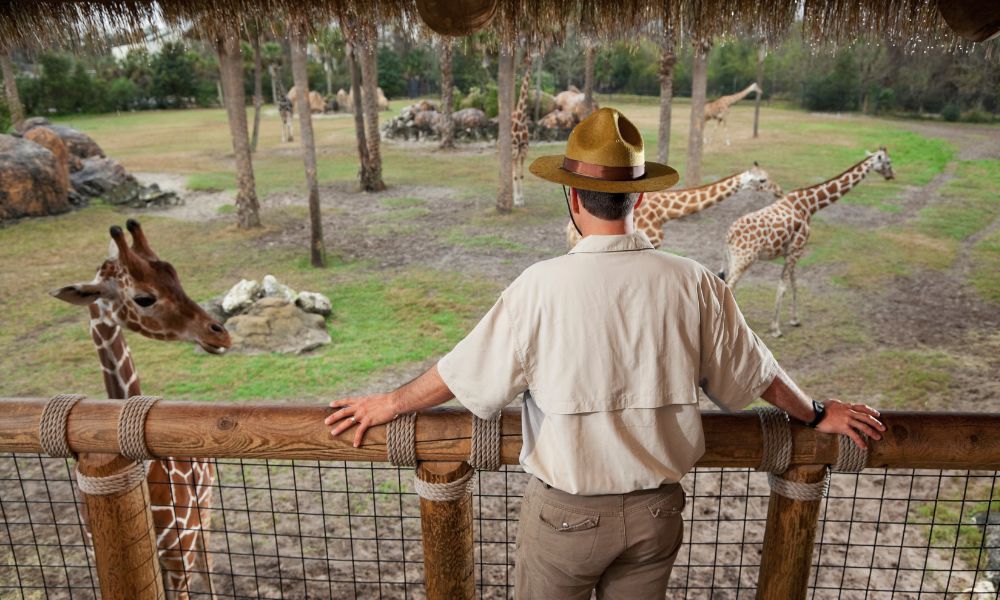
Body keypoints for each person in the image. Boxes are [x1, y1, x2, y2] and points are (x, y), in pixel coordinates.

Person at [324, 107, 885, 599]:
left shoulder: (537, 288)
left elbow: (464, 374)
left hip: (566, 518)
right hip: (657, 515)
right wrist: (815, 414)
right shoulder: (695, 283)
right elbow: (754, 373)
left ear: (571, 195)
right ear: (639, 197)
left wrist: (391, 404)